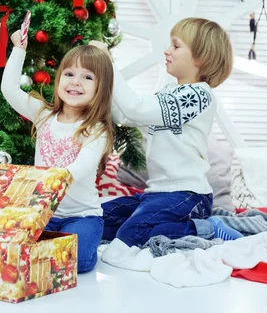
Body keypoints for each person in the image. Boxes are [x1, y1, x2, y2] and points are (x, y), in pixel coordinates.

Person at [98, 17, 240, 247]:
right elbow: (126, 116)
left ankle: (206, 228)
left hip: (187, 194)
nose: (166, 51)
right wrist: (102, 75)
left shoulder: (198, 96)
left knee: (131, 235)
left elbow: (134, 108)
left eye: (175, 46)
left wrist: (108, 62)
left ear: (200, 57)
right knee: (96, 218)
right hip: (157, 194)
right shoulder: (169, 92)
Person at [1, 28, 114, 273]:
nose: (75, 81)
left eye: (87, 77)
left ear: (100, 88)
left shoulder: (95, 129)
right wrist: (19, 50)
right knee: (12, 246)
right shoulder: (44, 115)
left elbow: (82, 167)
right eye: (70, 73)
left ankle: (88, 238)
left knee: (80, 260)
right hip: (44, 212)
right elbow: (10, 90)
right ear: (59, 78)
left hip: (82, 215)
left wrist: (47, 180)